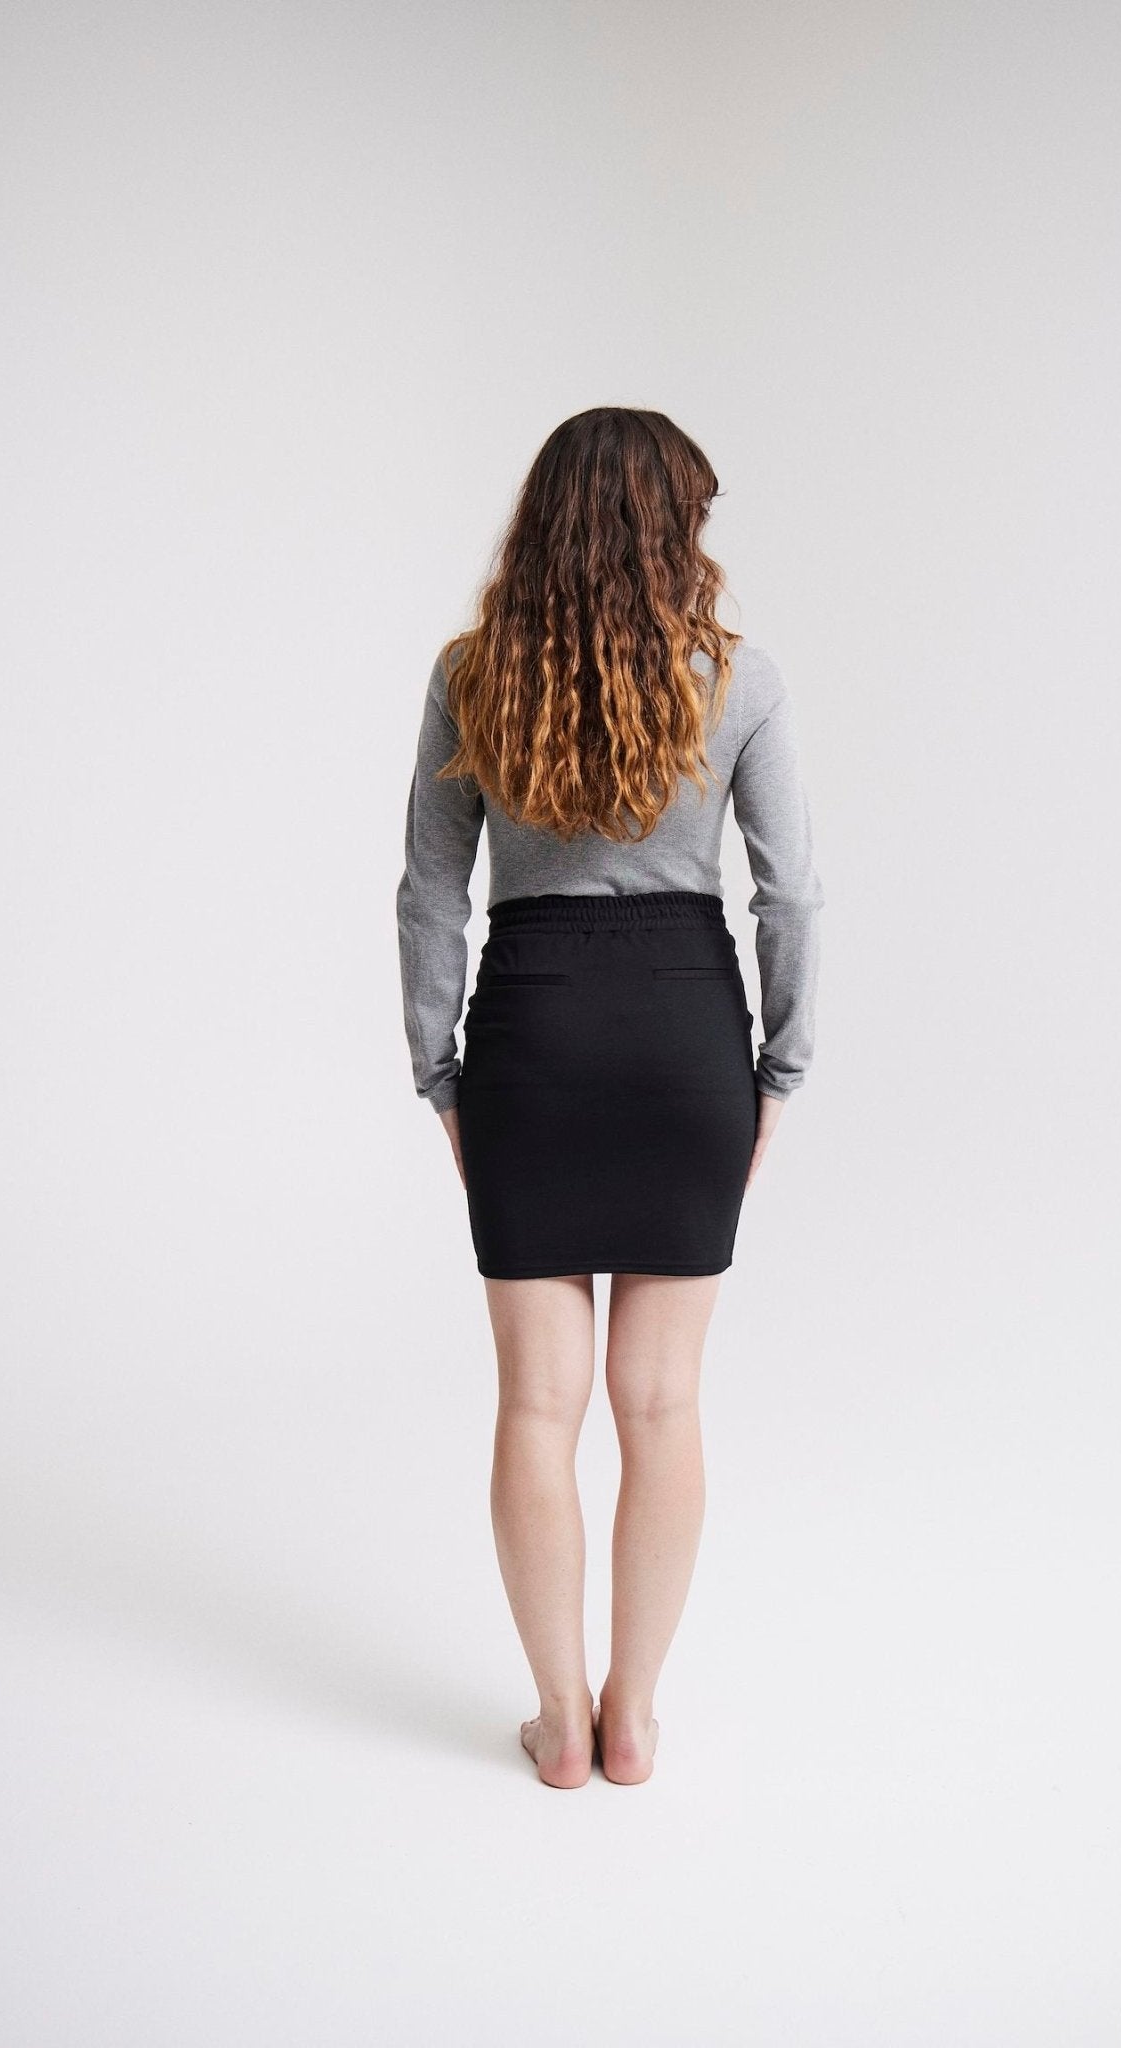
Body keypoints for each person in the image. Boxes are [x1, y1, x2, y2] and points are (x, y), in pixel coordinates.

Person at [395, 407, 824, 1789]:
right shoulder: (739, 680)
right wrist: (779, 1070)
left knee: (537, 1405)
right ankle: (632, 1714)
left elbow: (429, 897)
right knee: (661, 1402)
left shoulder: (474, 676)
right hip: (685, 1040)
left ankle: (560, 1723)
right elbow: (790, 893)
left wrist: (441, 1076)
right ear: (669, 527)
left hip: (533, 1035)